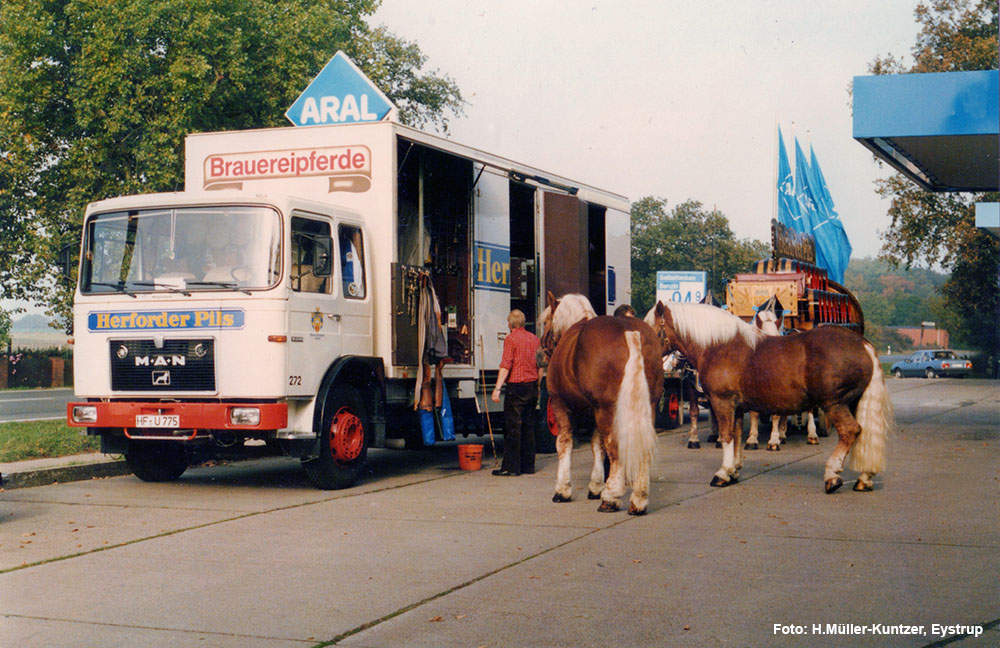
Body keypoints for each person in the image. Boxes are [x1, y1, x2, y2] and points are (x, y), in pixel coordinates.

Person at [491, 309, 541, 476]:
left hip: (516, 387)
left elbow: (506, 365)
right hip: (532, 385)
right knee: (529, 425)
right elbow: (540, 366)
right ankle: (528, 466)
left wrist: (497, 389)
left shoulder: (510, 339)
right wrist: (538, 385)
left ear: (510, 324)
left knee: (513, 427)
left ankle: (511, 467)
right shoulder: (535, 339)